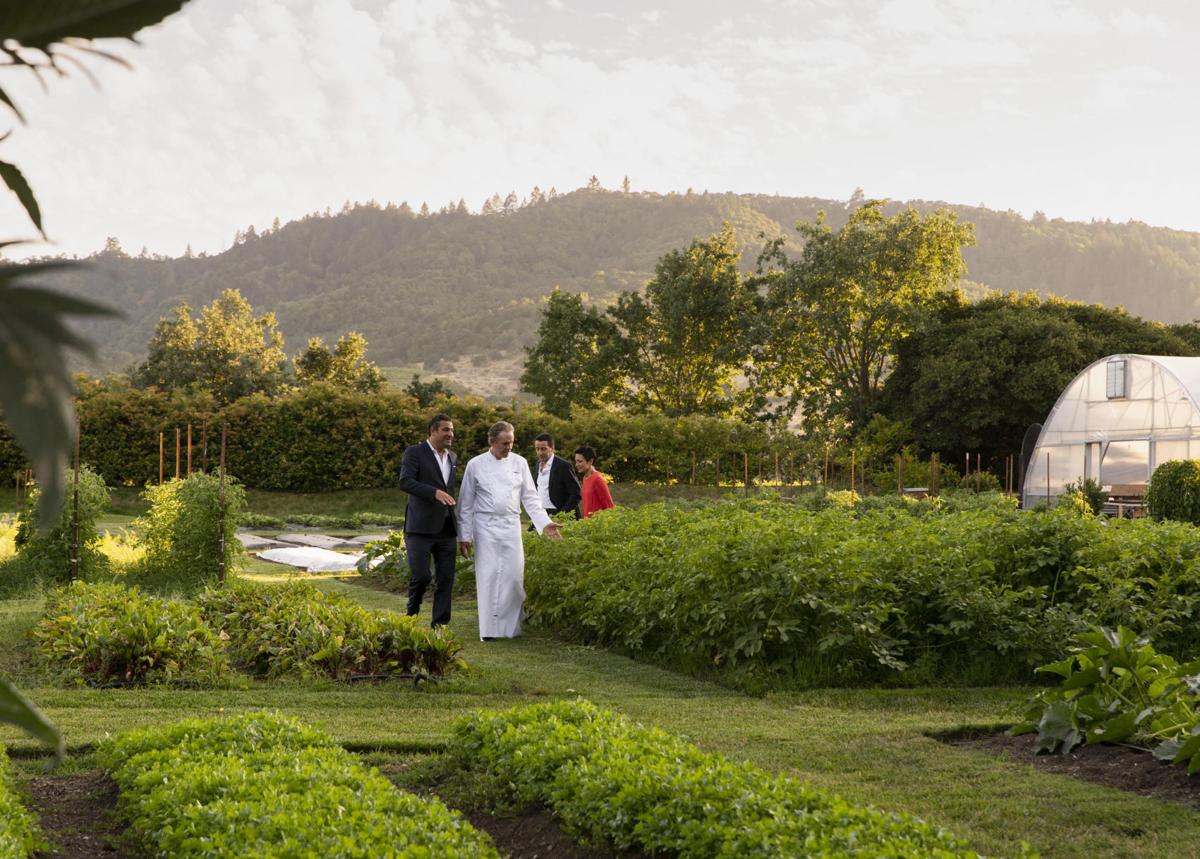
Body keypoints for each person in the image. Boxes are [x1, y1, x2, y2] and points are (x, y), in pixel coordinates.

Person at [458, 421, 562, 640]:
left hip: (511, 525)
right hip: (485, 526)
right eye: (505, 443)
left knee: (514, 578)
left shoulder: (520, 463)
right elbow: (466, 503)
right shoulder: (475, 465)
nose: (509, 447)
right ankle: (488, 631)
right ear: (492, 441)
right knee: (489, 576)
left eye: (511, 443)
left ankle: (509, 628)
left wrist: (545, 523)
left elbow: (530, 498)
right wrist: (464, 536)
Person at [398, 413, 458, 627]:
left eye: (451, 430)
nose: (450, 434)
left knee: (446, 580)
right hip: (420, 528)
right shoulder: (414, 453)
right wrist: (433, 492)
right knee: (422, 576)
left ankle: (440, 626)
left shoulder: (452, 457)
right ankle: (411, 615)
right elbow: (405, 482)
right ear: (433, 431)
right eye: (445, 430)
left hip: (447, 528)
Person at [532, 433, 581, 521]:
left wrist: (562, 514)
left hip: (559, 513)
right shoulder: (537, 464)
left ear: (552, 448)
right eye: (537, 449)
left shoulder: (564, 466)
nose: (539, 452)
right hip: (542, 513)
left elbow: (576, 493)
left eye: (543, 449)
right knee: (529, 534)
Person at [574, 445, 615, 518]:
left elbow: (610, 507)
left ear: (590, 461)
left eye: (580, 461)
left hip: (598, 525)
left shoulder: (597, 479)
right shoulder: (585, 478)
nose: (576, 465)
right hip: (588, 524)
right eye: (576, 461)